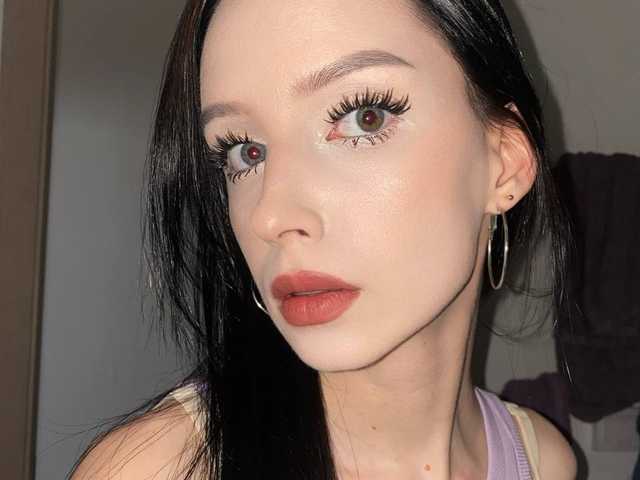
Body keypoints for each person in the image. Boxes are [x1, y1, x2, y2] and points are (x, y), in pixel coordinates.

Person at [70, 0, 579, 478]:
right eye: (244, 150)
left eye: (363, 117)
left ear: (504, 164)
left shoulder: (543, 462)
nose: (271, 215)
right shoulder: (155, 468)